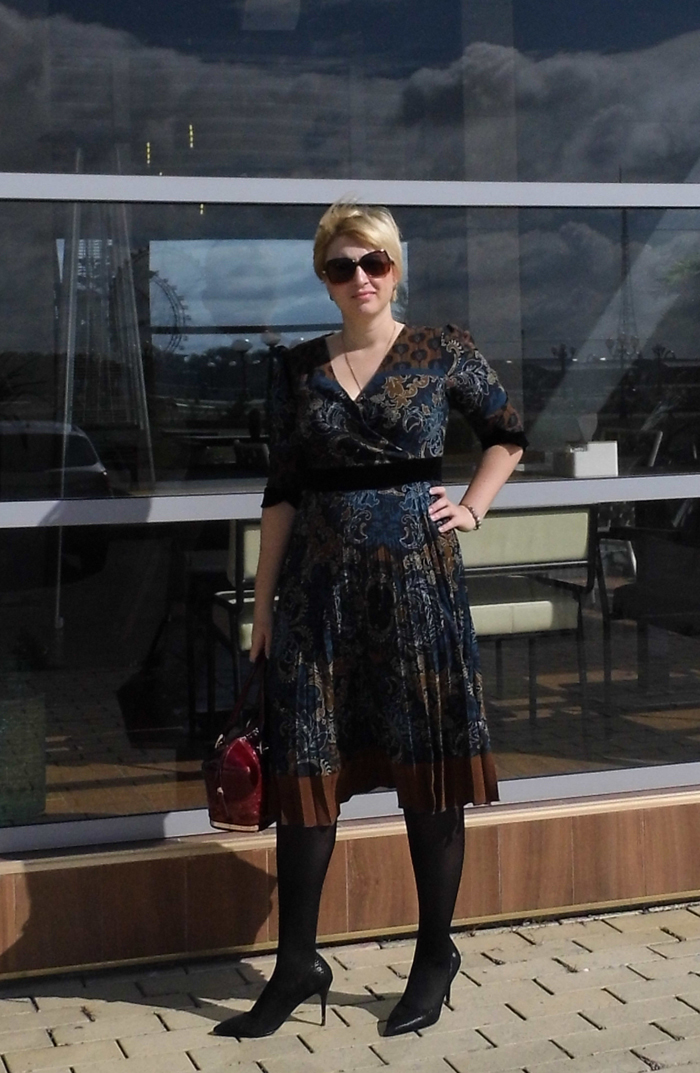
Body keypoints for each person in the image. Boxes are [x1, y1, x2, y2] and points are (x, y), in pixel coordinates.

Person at [213, 202, 527, 1040]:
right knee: (306, 775)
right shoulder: (296, 369)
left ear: (396, 268)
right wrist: (263, 604)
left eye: (374, 262)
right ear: (324, 277)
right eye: (341, 266)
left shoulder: (441, 350)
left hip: (418, 593)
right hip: (319, 600)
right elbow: (282, 492)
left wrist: (473, 507)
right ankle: (296, 964)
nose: (360, 278)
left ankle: (433, 955)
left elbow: (506, 433)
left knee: (429, 773)